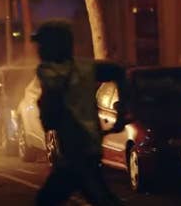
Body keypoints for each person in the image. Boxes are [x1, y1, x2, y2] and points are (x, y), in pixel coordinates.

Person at [32, 21, 129, 206]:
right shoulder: (85, 67)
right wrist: (122, 111)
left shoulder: (50, 73)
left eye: (42, 44)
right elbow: (118, 72)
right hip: (83, 150)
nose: (39, 50)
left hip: (77, 151)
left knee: (48, 200)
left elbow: (50, 118)